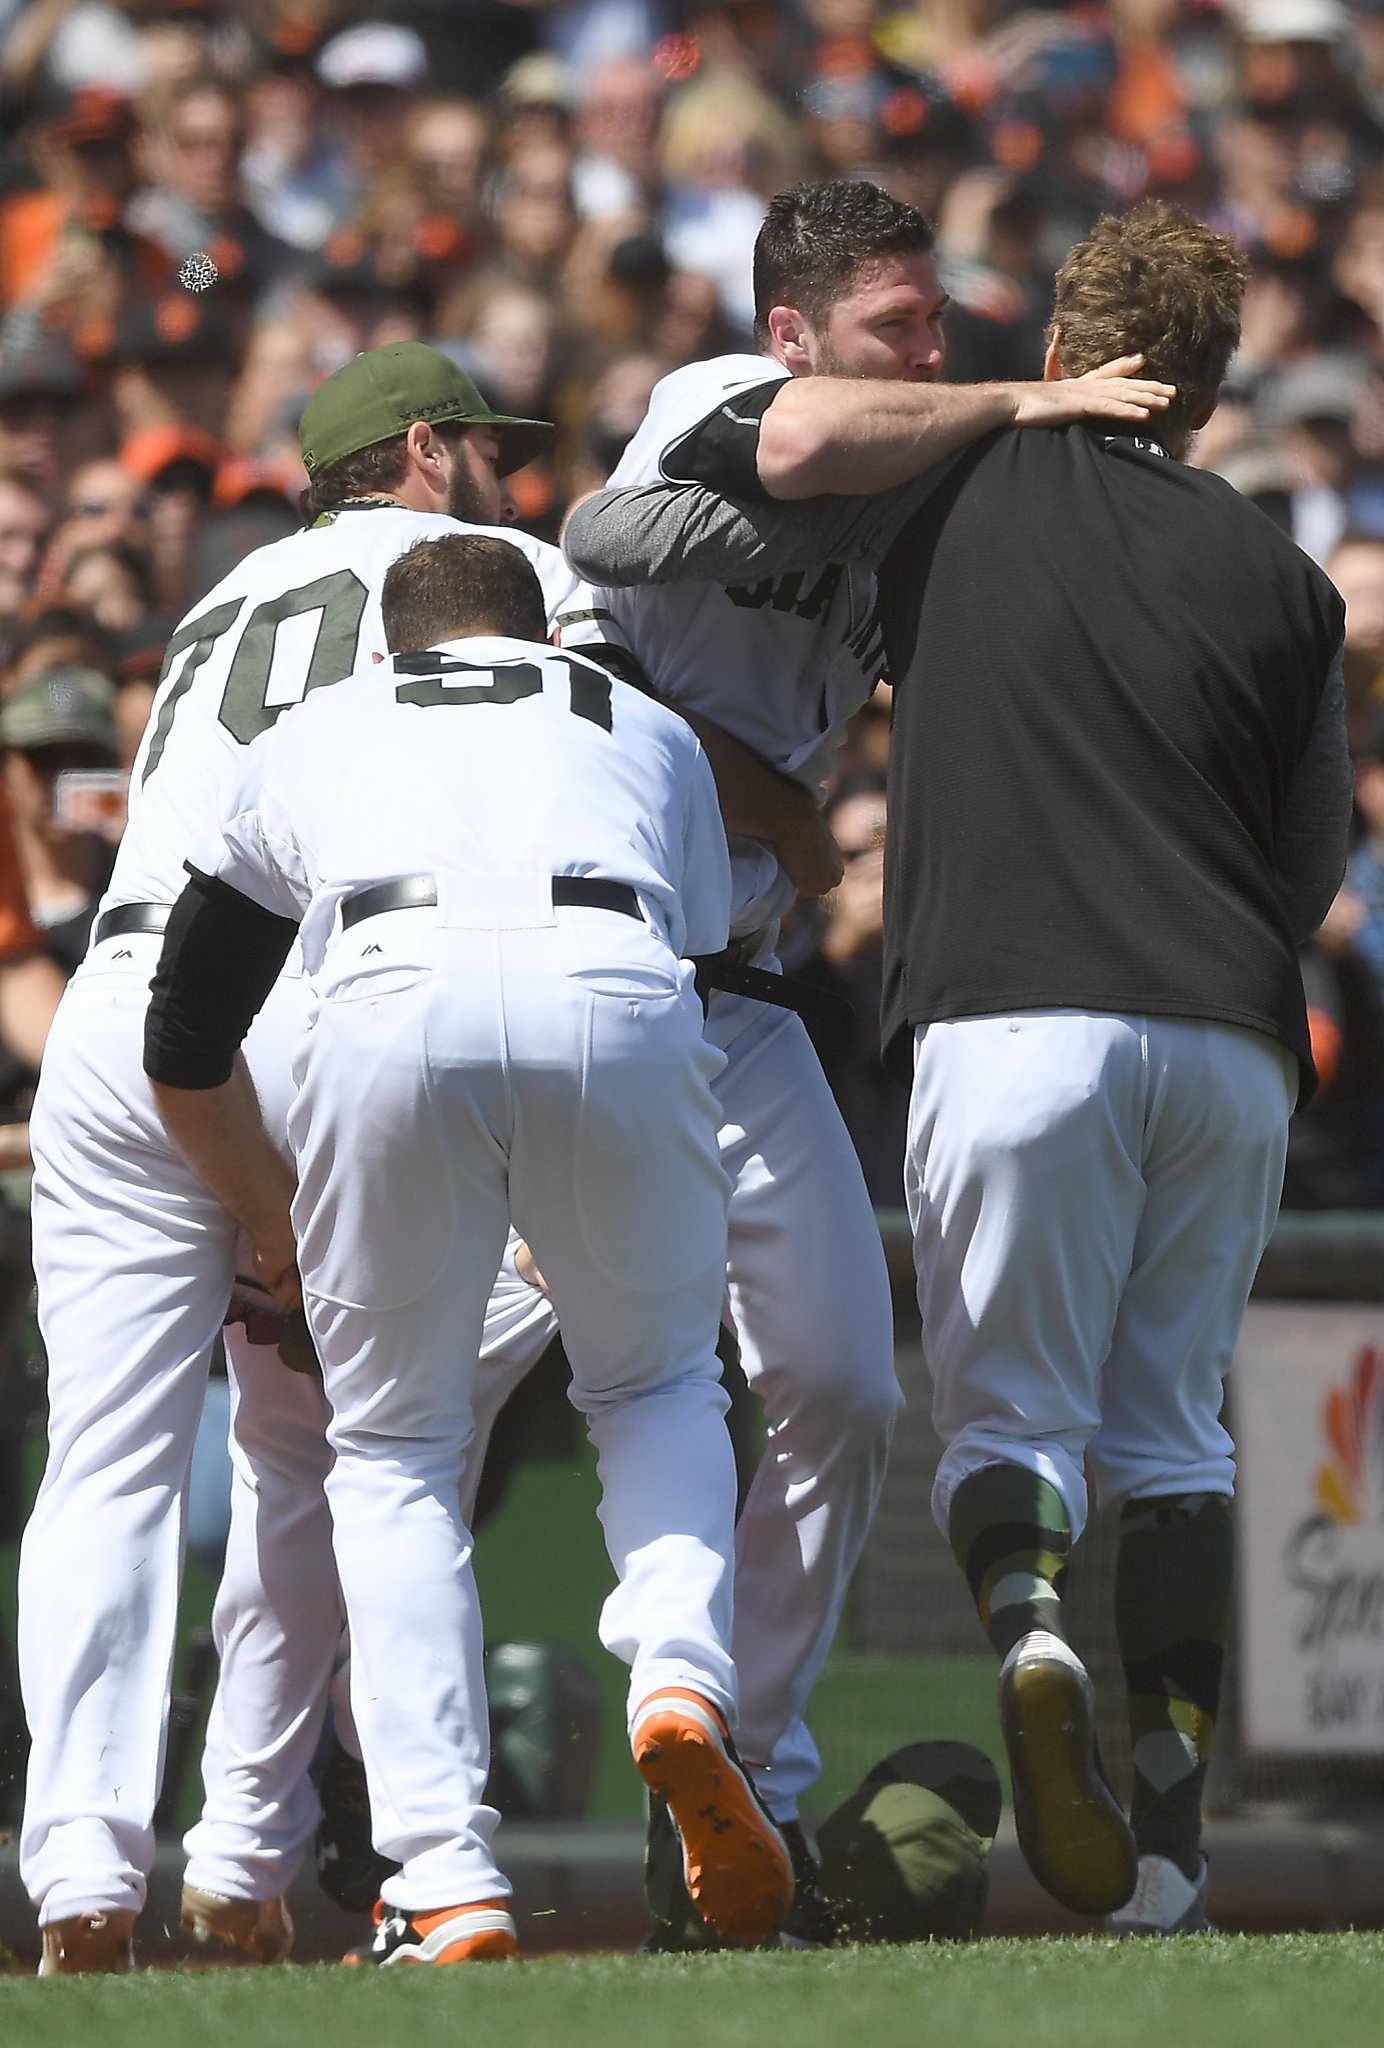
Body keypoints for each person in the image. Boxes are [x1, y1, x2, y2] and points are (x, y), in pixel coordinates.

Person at [562, 198, 1353, 1936]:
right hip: (1228, 1026)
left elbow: (634, 523)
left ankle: (1031, 1632)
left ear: (1059, 352)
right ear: (1209, 397)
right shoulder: (1287, 576)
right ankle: (1166, 1853)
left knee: (1006, 1424)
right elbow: (1312, 873)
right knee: (1183, 1443)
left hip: (1002, 1014)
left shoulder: (952, 495)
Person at [477, 176, 1175, 1942]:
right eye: (897, 327)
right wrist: (1024, 395)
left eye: (943, 322)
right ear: (793, 331)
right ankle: (347, 1807)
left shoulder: (920, 482)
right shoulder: (713, 400)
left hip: (749, 995)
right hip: (574, 980)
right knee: (405, 1412)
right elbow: (681, 554)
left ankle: (741, 1814)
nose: (933, 352)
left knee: (853, 1394)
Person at [143, 530, 793, 1965]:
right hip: (618, 984)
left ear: (391, 651)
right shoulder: (645, 726)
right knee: (660, 1387)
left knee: (389, 1455)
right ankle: (679, 1680)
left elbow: (182, 1030)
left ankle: (446, 1877)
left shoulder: (318, 723)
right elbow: (690, 955)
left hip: (388, 992)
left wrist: (269, 1215)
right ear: (546, 637)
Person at [14, 341, 571, 1977]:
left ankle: (81, 1876)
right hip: (310, 993)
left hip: (122, 1007)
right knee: (332, 1448)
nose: (507, 476)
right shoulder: (497, 573)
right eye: (485, 446)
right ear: (422, 450)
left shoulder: (215, 600)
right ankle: (265, 1848)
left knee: (102, 1466)